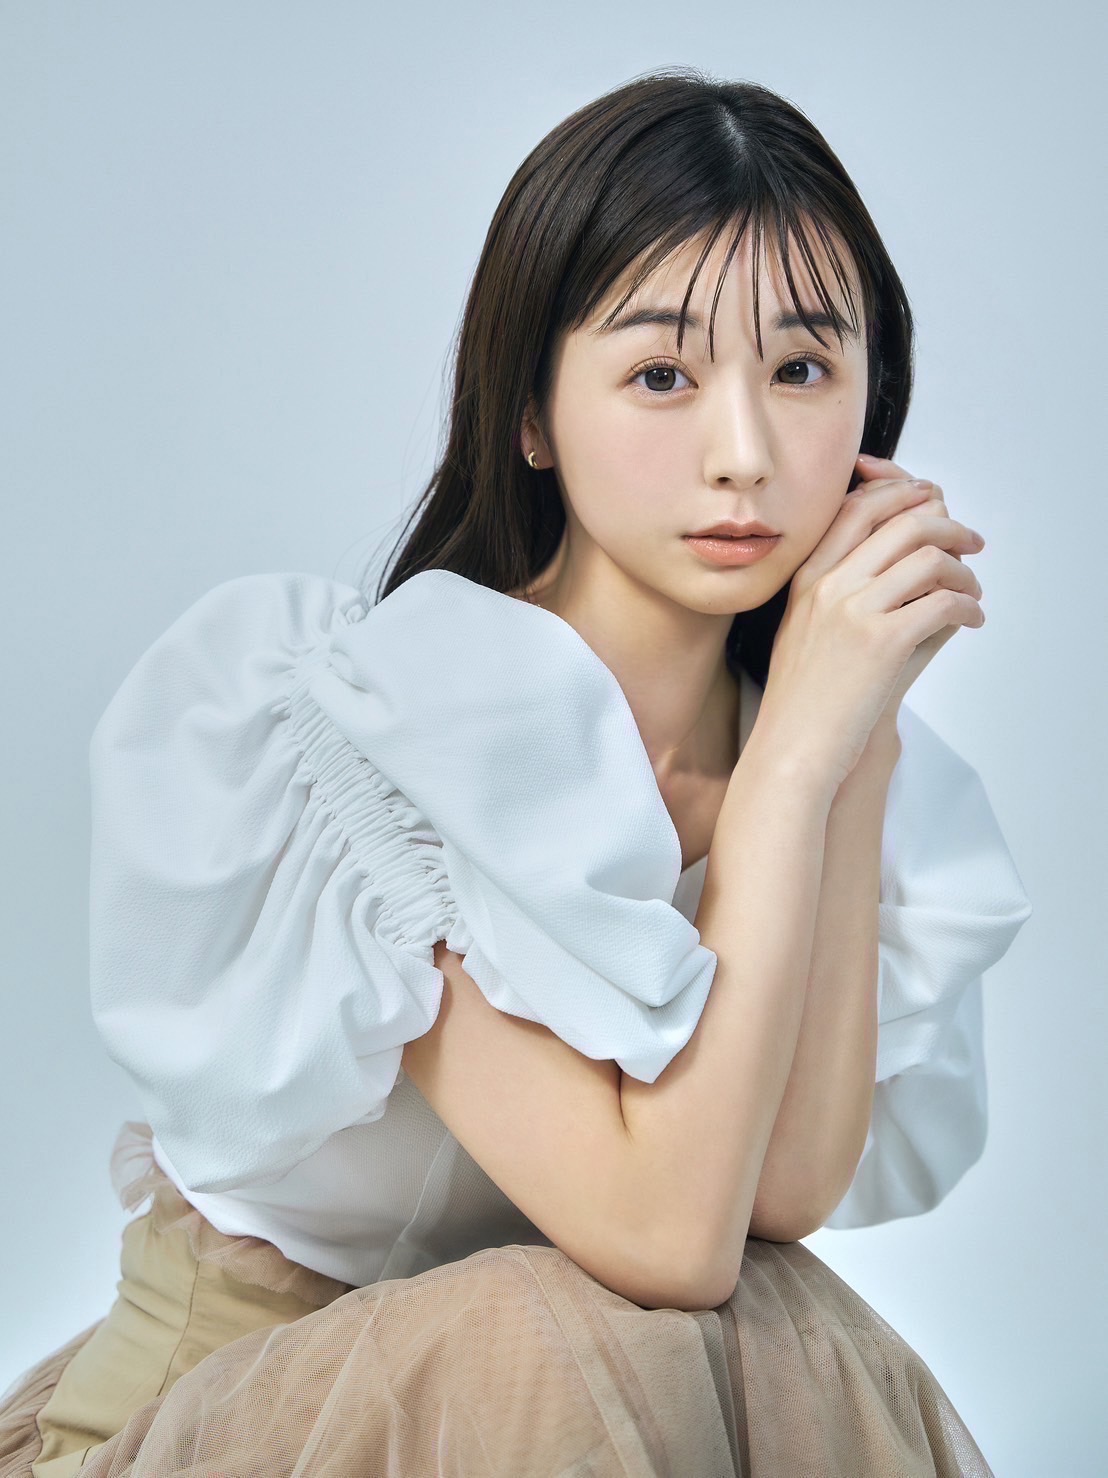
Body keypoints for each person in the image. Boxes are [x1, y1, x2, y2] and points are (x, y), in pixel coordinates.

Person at [0, 66, 1032, 1476]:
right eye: (661, 375)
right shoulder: (398, 726)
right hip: (225, 1427)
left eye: (802, 371)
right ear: (533, 414)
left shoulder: (820, 738)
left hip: (586, 1420)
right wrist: (793, 768)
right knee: (541, 1331)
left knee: (787, 1322)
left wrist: (846, 746)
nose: (744, 455)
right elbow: (665, 1238)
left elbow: (776, 1197)